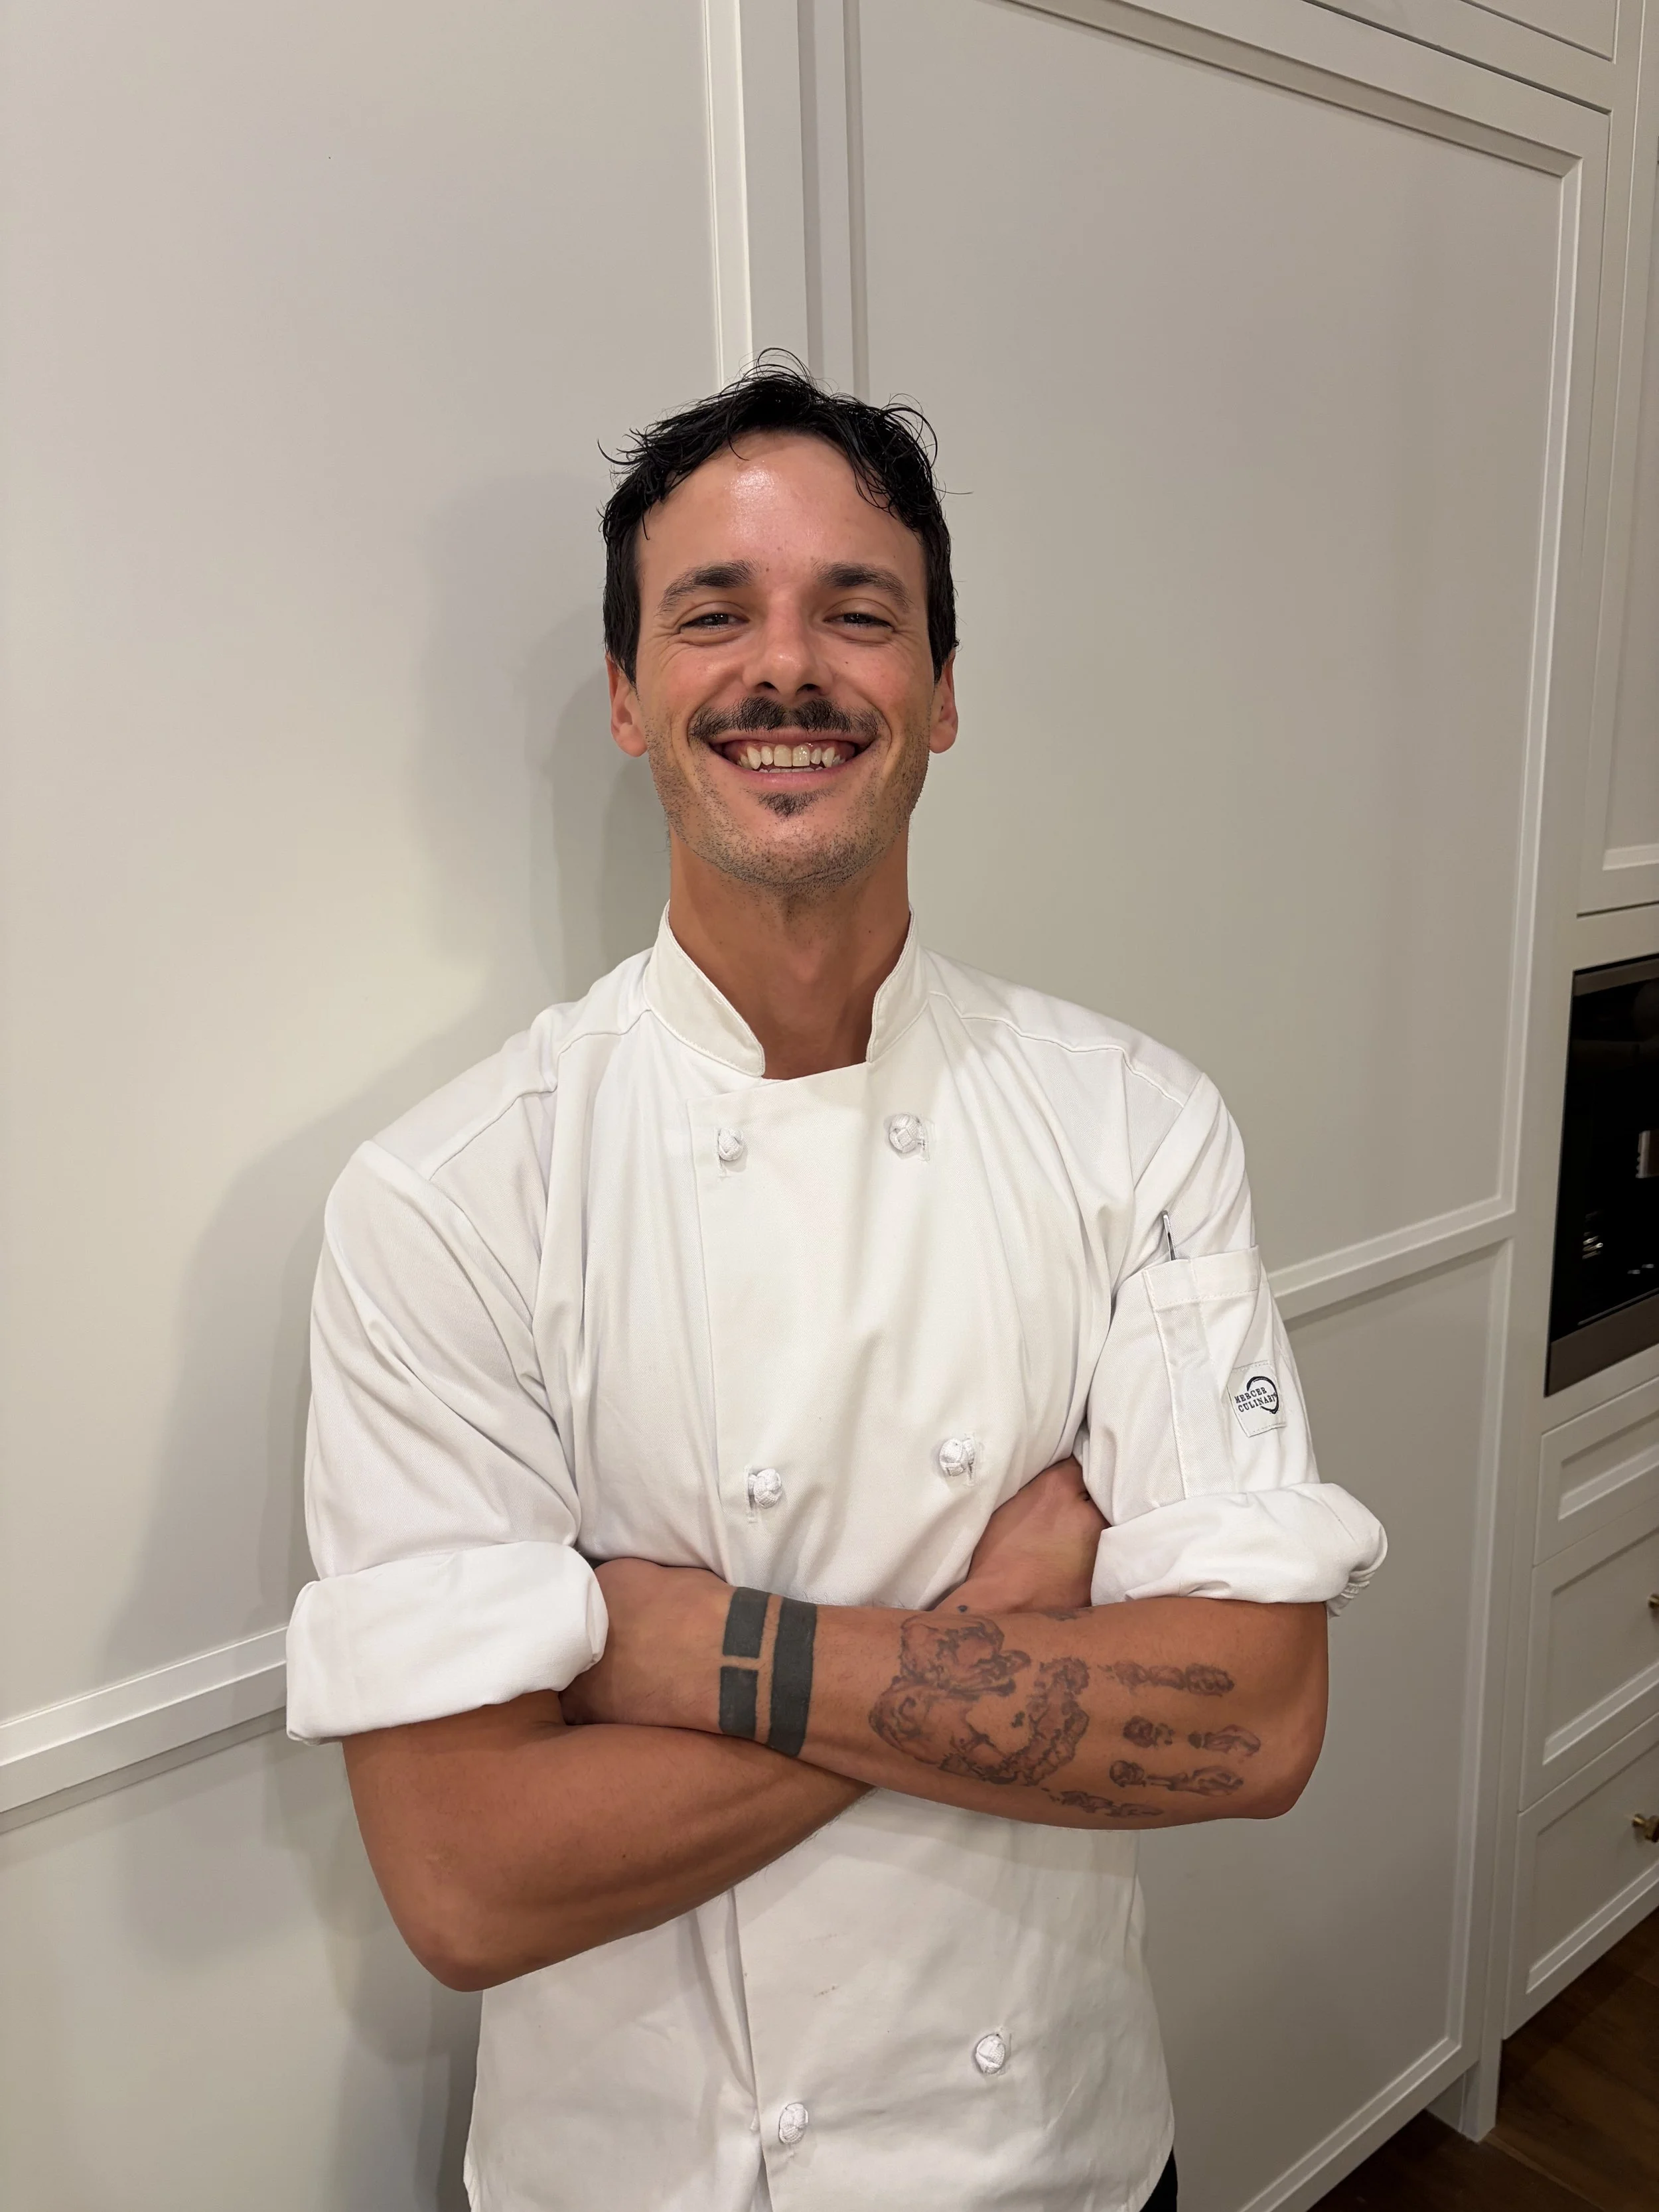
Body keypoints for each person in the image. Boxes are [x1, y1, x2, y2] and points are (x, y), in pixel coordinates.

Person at [285, 360, 1386, 2212]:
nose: (785, 667)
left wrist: (683, 1652)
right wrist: (992, 1613)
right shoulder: (453, 1196)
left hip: (1059, 2156)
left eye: (857, 613)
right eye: (713, 613)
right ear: (629, 695)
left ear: (941, 692)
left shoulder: (1132, 1126)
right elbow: (470, 1880)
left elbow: (1254, 1720)